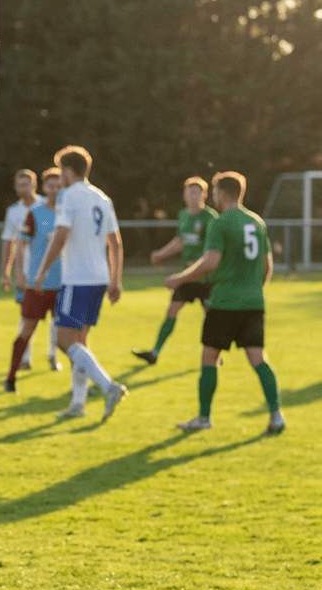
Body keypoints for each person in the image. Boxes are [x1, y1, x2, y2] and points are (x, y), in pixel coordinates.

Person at [167, 171, 285, 434]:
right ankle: (276, 415)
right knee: (258, 358)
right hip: (254, 302)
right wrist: (253, 289)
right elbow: (267, 266)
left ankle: (204, 417)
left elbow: (210, 262)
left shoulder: (220, 223)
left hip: (225, 301)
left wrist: (180, 279)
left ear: (221, 193)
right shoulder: (256, 222)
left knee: (210, 357)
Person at [33, 146, 127, 421]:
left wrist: (41, 273)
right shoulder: (102, 197)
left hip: (78, 278)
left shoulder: (69, 196)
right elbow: (116, 244)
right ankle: (78, 404)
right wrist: (116, 279)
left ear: (67, 170)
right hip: (99, 278)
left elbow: (61, 236)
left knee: (64, 341)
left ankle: (110, 387)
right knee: (80, 342)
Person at [132, 177, 217, 365]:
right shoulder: (184, 215)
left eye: (197, 192)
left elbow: (215, 247)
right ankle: (154, 353)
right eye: (189, 191)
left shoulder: (210, 218)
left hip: (204, 277)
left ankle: (214, 355)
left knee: (211, 317)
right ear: (184, 194)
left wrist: (200, 262)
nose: (192, 195)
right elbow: (180, 241)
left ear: (204, 195)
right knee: (172, 311)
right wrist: (160, 254)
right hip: (186, 277)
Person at [4, 168, 63, 392]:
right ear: (44, 188)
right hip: (38, 284)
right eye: (51, 186)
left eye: (59, 185)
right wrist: (19, 272)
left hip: (64, 285)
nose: (55, 189)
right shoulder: (35, 213)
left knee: (70, 335)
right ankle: (11, 377)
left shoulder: (69, 212)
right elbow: (20, 244)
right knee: (27, 330)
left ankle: (81, 385)